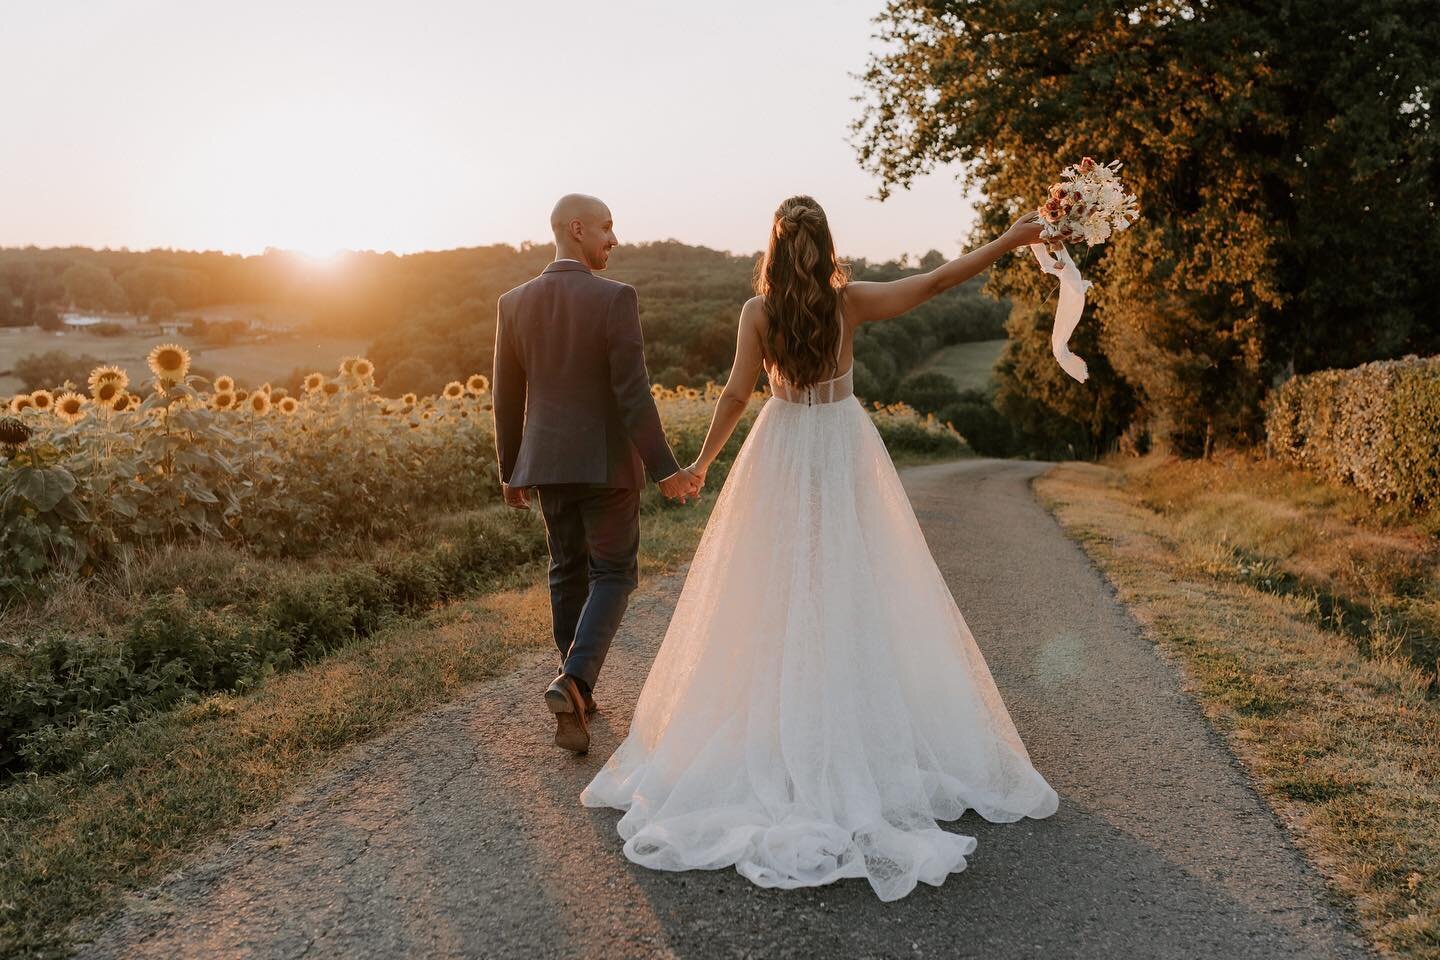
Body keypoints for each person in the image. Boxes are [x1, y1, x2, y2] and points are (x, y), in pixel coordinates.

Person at [580, 196, 1059, 901]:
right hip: (839, 447)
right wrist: (1012, 240)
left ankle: (789, 725)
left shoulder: (758, 313)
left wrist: (703, 464)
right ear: (827, 242)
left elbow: (738, 395)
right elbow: (934, 282)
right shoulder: (851, 303)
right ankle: (847, 726)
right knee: (849, 583)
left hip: (780, 450)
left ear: (771, 249)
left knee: (774, 591)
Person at [492, 193, 701, 755]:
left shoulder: (512, 303)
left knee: (567, 573)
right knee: (614, 573)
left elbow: (506, 399)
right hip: (606, 465)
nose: (615, 239)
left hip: (547, 465)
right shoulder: (615, 298)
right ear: (577, 230)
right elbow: (632, 393)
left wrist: (510, 469)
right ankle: (576, 681)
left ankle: (576, 688)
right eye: (607, 228)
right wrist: (665, 470)